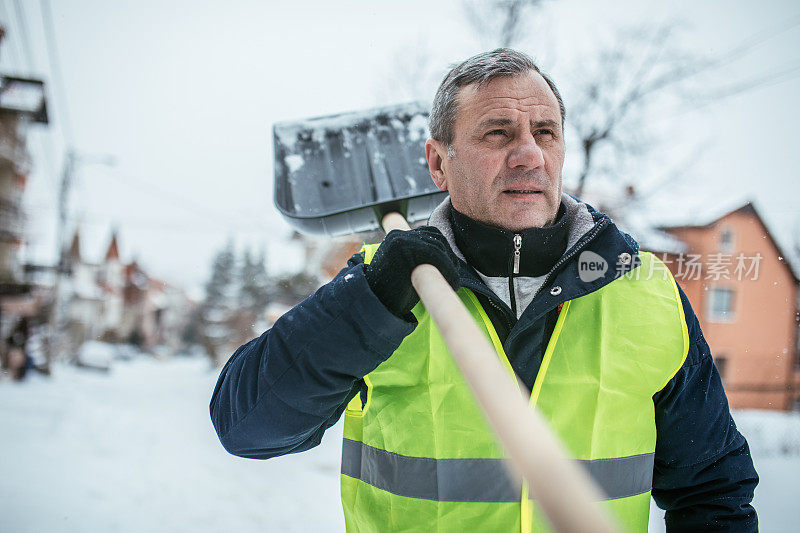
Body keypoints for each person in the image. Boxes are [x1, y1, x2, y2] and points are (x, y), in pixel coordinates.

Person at [211, 49, 758, 532]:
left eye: (545, 133)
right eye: (498, 133)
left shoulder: (644, 291)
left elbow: (712, 489)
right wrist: (370, 302)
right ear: (437, 163)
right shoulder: (382, 286)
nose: (529, 154)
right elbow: (248, 426)